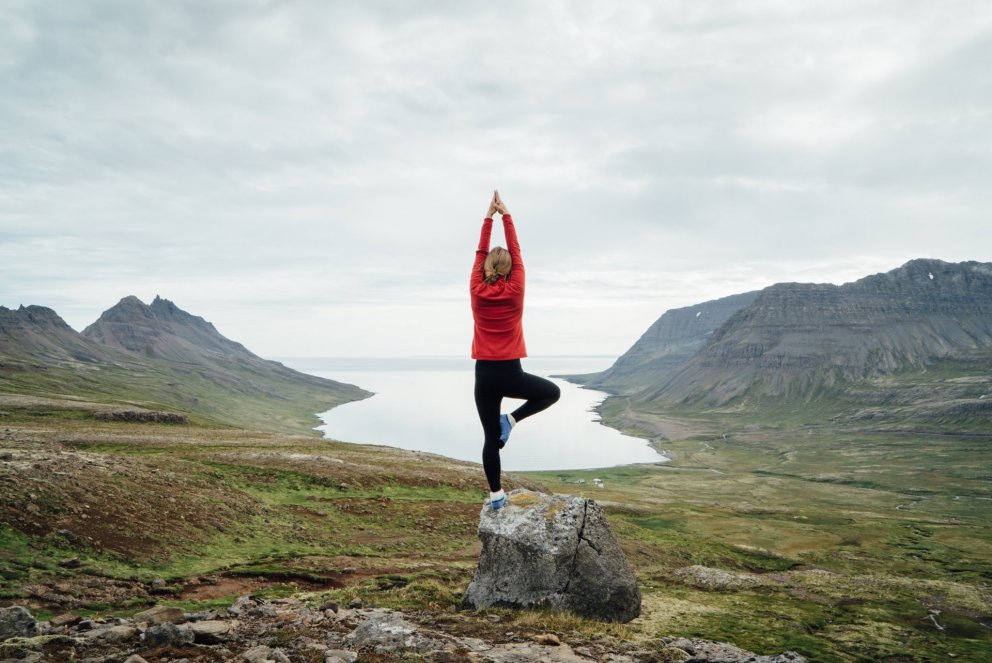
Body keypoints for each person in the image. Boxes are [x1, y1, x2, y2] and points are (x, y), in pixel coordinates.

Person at [470, 190, 560, 510]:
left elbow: (480, 251)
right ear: (510, 270)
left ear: (484, 268)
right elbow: (516, 251)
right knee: (551, 393)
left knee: (489, 439)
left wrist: (488, 217)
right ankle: (512, 419)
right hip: (511, 373)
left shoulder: (476, 289)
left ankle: (496, 497)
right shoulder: (516, 288)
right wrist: (506, 215)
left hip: (484, 375)